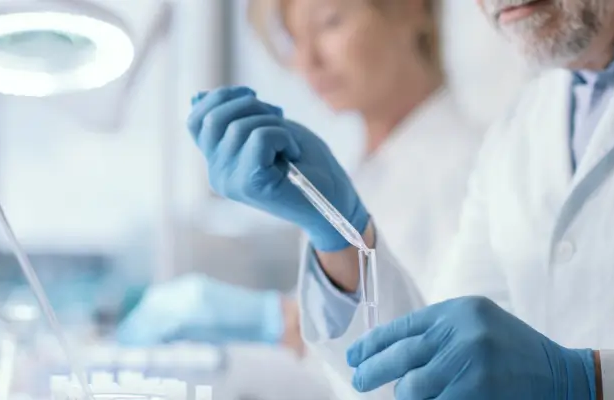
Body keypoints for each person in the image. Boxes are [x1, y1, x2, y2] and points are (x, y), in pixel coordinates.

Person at [186, 0, 614, 398]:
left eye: (331, 23)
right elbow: (418, 377)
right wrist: (340, 232)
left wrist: (592, 384)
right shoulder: (521, 131)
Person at [116, 0, 492, 358]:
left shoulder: (469, 165)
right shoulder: (367, 167)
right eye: (293, 39)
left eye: (329, 22)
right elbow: (334, 361)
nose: (306, 61)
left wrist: (276, 319)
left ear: (413, 7)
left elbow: (431, 349)